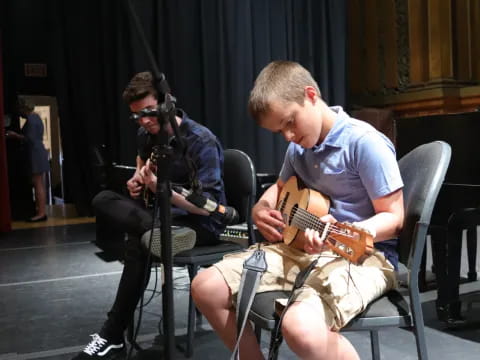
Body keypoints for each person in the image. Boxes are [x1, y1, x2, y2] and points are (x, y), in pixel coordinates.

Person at [191, 60, 404, 360]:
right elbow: (278, 189)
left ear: (311, 96)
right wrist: (261, 208)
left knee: (300, 328)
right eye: (280, 131)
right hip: (304, 247)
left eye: (290, 122)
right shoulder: (298, 149)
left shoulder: (364, 142)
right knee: (205, 287)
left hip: (363, 254)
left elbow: (395, 219)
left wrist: (356, 230)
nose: (288, 137)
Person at [73, 71, 227, 359]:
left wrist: (164, 190)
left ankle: (112, 334)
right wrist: (137, 179)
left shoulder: (200, 140)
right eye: (137, 116)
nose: (144, 121)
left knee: (138, 241)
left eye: (148, 112)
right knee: (103, 199)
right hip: (164, 219)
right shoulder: (146, 134)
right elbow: (142, 165)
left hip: (201, 223)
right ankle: (157, 231)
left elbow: (210, 205)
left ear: (167, 102)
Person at [6, 99, 50, 222]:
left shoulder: (31, 119)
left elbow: (29, 139)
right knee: (39, 182)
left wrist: (14, 135)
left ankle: (41, 213)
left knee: (38, 183)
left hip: (35, 152)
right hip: (38, 151)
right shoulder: (36, 117)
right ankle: (41, 211)